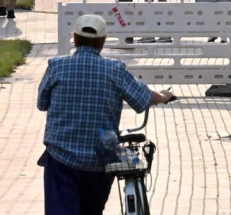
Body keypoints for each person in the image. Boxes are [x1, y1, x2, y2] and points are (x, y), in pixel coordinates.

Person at [38, 14, 175, 215]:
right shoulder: (114, 70)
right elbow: (144, 97)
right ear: (102, 42)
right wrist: (164, 96)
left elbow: (42, 104)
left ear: (74, 39)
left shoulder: (56, 67)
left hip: (61, 157)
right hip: (99, 160)